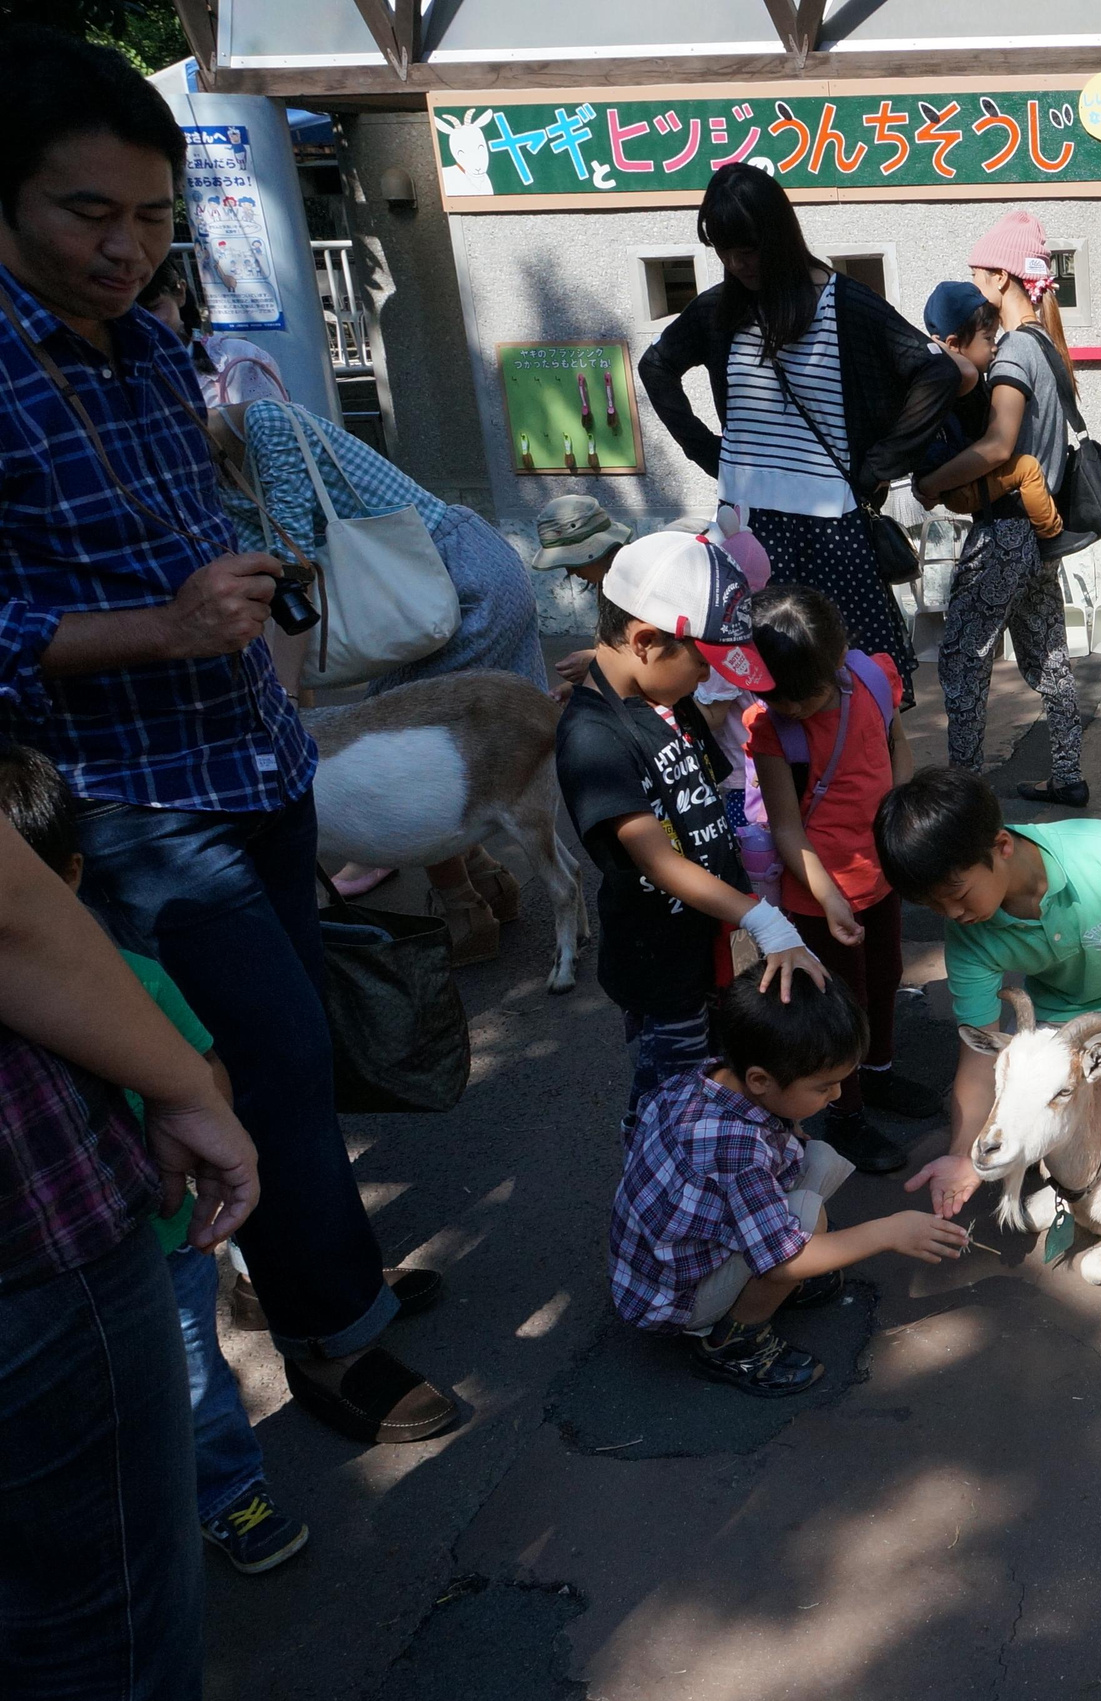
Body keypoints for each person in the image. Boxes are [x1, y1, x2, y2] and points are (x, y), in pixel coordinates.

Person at [0, 26, 455, 1447]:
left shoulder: (146, 340)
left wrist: (267, 655)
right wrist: (161, 630)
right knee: (249, 1056)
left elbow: (197, 541)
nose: (127, 247)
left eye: (153, 216)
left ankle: (327, 1278)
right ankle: (333, 1338)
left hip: (252, 758)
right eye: (91, 213)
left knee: (295, 1048)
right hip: (132, 806)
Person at [0, 743, 308, 1575]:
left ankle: (226, 1492)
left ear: (66, 878)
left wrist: (196, 1119)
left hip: (161, 1232)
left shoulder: (127, 977)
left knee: (192, 1376)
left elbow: (206, 1069)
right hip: (66, 1251)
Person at [204, 394, 544, 939]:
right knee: (432, 745)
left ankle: (466, 912)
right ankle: (486, 886)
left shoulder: (266, 425)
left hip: (458, 581)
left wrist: (282, 703)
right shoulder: (200, 475)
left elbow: (292, 566)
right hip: (418, 598)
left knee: (423, 752)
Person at [638, 164, 967, 714]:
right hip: (745, 525)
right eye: (724, 251)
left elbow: (935, 373)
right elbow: (657, 367)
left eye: (748, 249)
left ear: (778, 236)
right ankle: (774, 798)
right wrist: (710, 452)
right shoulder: (720, 309)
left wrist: (879, 464)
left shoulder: (845, 304)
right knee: (757, 694)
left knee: (852, 687)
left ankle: (859, 794)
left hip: (830, 526)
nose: (737, 264)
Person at [552, 528, 828, 1134]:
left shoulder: (665, 699)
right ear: (646, 642)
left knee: (715, 1084)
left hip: (711, 950)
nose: (707, 679)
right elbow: (654, 859)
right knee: (668, 1107)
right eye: (702, 661)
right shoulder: (594, 739)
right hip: (662, 968)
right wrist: (762, 916)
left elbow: (710, 790)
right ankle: (658, 1205)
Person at [877, 765, 1101, 1218]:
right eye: (934, 905)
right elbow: (979, 1054)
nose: (952, 913)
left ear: (1001, 845)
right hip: (1058, 1024)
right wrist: (963, 1152)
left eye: (956, 893)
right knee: (1039, 1110)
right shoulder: (969, 935)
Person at [610, 974, 969, 1395]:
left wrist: (791, 1125)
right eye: (822, 1086)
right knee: (803, 1219)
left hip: (664, 1259)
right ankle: (733, 1343)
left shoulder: (707, 1078)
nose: (836, 1095)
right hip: (676, 1299)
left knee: (818, 1158)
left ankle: (761, 1290)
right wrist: (888, 1231)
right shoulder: (735, 1148)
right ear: (761, 1080)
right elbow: (783, 1259)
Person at [742, 583, 940, 1173]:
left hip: (879, 874)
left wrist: (899, 824)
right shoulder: (774, 727)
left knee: (885, 976)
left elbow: (897, 746)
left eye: (805, 696)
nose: (795, 708)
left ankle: (876, 1073)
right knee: (837, 1004)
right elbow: (787, 828)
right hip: (819, 891)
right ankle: (845, 1112)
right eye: (781, 697)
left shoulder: (876, 681)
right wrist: (828, 897)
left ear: (838, 658)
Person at [913, 210, 1091, 810]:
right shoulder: (1044, 342)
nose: (972, 281)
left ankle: (965, 792)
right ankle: (1067, 774)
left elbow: (997, 446)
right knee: (1050, 660)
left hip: (1007, 529)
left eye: (977, 272)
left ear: (1000, 278)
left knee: (963, 658)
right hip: (1041, 536)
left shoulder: (1013, 350)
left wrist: (933, 482)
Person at [917, 279, 1078, 551]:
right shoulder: (957, 375)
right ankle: (1051, 534)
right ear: (953, 343)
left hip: (959, 484)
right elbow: (998, 446)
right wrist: (938, 347)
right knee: (1026, 468)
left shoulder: (964, 373)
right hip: (959, 488)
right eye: (989, 338)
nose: (995, 347)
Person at [138, 254, 288, 408]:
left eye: (153, 308)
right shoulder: (127, 372)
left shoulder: (237, 360)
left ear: (180, 293)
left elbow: (276, 427)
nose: (141, 321)